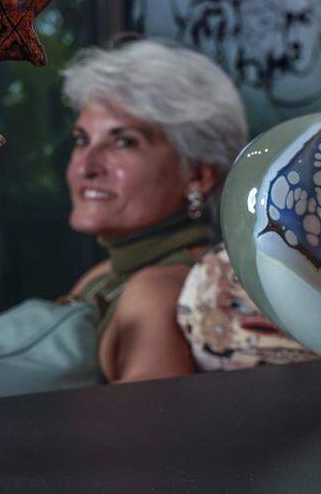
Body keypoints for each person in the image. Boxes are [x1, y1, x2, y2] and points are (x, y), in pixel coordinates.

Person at [62, 38, 248, 383]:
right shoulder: (107, 275)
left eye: (124, 142)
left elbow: (142, 436)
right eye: (82, 139)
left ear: (198, 175)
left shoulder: (154, 293)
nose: (86, 166)